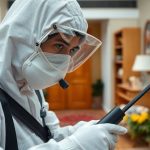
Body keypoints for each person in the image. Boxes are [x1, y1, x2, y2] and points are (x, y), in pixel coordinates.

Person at [0, 0, 127, 149]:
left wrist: (76, 133)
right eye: (59, 45)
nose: (65, 61)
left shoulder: (33, 89)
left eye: (72, 50)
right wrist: (75, 145)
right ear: (25, 38)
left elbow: (46, 136)